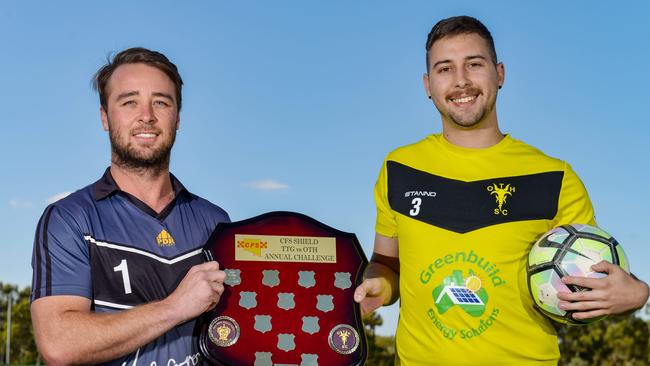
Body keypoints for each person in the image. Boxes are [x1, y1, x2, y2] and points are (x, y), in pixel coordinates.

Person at [353, 16, 649, 365]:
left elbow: (592, 271)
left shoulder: (554, 177)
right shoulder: (398, 169)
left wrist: (637, 293)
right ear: (427, 84)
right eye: (445, 68)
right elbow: (387, 264)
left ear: (500, 74)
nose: (461, 81)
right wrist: (379, 286)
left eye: (474, 65)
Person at [30, 47, 230, 365]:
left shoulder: (215, 221)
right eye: (129, 102)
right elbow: (59, 344)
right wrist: (176, 307)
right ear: (105, 118)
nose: (147, 116)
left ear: (177, 117)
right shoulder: (70, 218)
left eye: (161, 102)